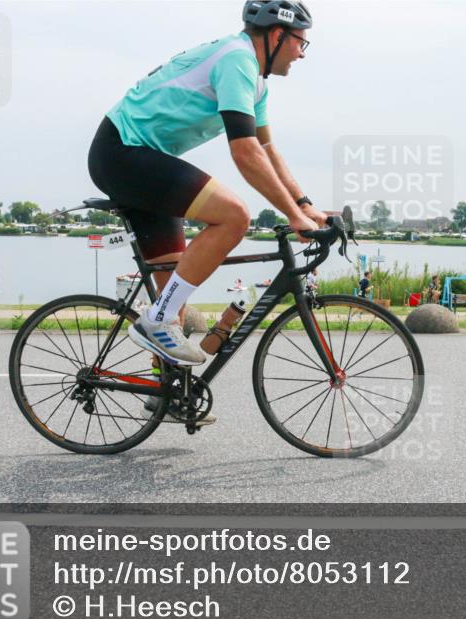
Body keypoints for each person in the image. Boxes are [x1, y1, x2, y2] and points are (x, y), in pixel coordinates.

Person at [88, 1, 322, 367]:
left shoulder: (256, 82)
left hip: (143, 158)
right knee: (233, 215)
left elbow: (266, 149)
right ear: (278, 35)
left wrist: (305, 205)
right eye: (300, 43)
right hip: (122, 152)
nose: (301, 53)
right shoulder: (237, 60)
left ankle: (162, 393)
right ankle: (156, 319)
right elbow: (245, 152)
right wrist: (292, 216)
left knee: (173, 300)